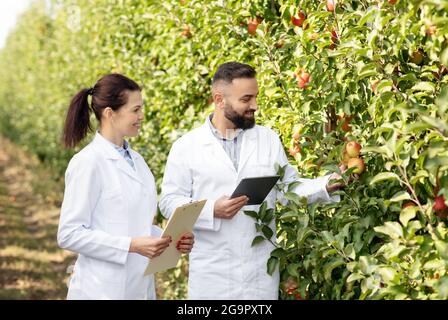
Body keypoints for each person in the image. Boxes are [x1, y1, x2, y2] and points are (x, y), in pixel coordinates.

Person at [159, 62, 345, 300]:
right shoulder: (187, 147)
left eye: (255, 97)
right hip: (212, 274)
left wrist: (325, 184)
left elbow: (288, 189)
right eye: (246, 99)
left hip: (259, 274)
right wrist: (211, 209)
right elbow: (168, 201)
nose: (254, 106)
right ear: (219, 100)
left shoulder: (268, 139)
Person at [57, 73, 194, 300]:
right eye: (135, 110)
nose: (142, 116)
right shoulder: (88, 163)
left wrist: (171, 239)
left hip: (139, 287)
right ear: (110, 114)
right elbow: (69, 234)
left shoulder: (138, 162)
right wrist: (130, 246)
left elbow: (136, 223)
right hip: (100, 289)